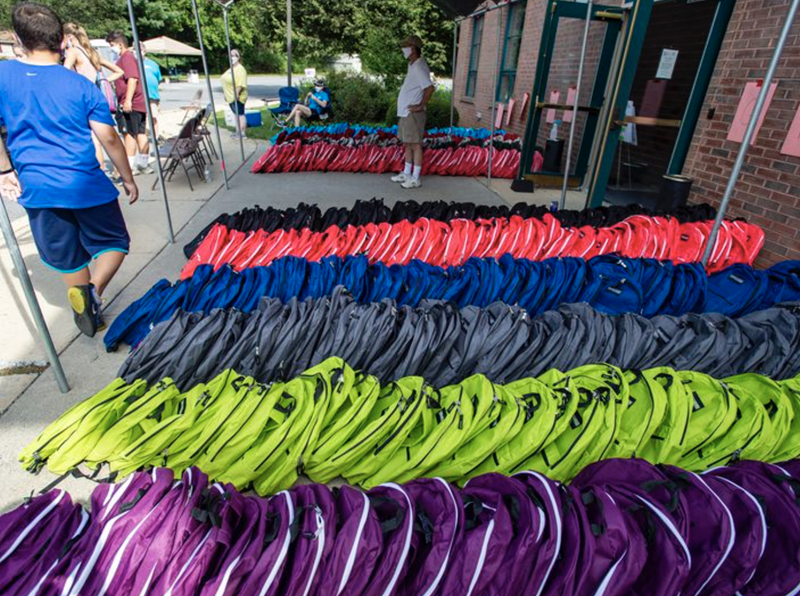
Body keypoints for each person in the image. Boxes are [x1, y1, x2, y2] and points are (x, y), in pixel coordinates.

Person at [0, 2, 139, 338]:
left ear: (19, 39)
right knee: (114, 243)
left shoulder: (3, 76)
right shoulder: (79, 85)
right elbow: (109, 138)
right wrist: (128, 178)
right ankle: (92, 292)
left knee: (67, 255)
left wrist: (5, 171)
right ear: (62, 40)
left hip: (37, 186)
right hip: (84, 182)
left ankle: (86, 303)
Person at [63, 22, 124, 168]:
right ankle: (107, 169)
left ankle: (99, 169)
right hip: (96, 96)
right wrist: (104, 81)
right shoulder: (91, 52)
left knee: (92, 138)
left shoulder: (73, 52)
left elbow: (63, 74)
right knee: (103, 137)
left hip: (82, 98)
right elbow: (119, 71)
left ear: (69, 37)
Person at [391, 35, 434, 190]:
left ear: (413, 48)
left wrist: (421, 106)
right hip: (405, 113)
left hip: (412, 114)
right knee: (407, 144)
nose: (404, 49)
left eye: (406, 45)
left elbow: (429, 87)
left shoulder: (419, 66)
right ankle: (407, 173)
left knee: (415, 145)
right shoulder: (412, 65)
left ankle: (415, 178)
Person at [106, 30, 153, 175]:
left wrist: (127, 100)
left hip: (131, 103)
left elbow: (132, 78)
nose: (110, 48)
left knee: (129, 134)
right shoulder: (129, 57)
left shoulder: (126, 57)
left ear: (120, 44)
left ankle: (130, 166)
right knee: (139, 132)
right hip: (138, 102)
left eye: (111, 45)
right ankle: (143, 164)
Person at [221, 48, 248, 139]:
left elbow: (240, 83)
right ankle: (238, 131)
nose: (231, 57)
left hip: (237, 97)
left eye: (233, 55)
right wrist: (226, 94)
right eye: (230, 55)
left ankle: (242, 133)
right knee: (236, 114)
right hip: (230, 96)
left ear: (238, 57)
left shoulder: (240, 69)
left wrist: (236, 94)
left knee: (240, 114)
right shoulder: (231, 68)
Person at [140, 42, 162, 140]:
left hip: (152, 96)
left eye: (139, 50)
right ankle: (143, 136)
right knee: (141, 118)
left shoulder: (153, 64)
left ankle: (156, 136)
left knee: (153, 117)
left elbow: (158, 79)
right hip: (139, 96)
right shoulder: (133, 64)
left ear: (144, 51)